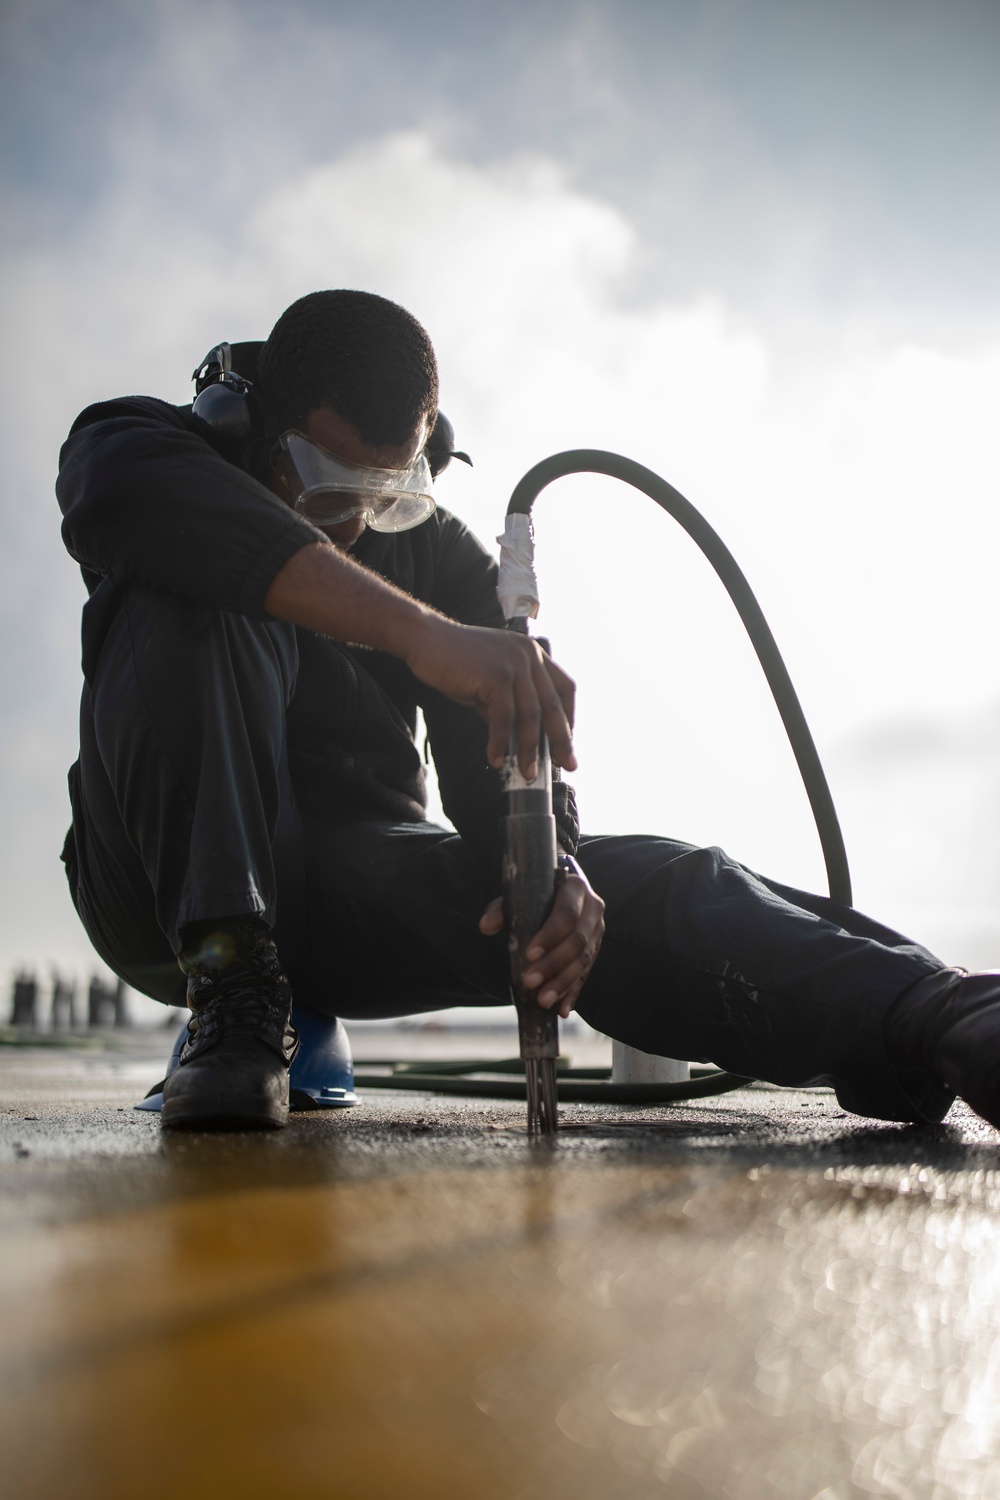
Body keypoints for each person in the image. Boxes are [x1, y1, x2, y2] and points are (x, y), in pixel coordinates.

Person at [56, 290, 1000, 1134]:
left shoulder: (444, 559)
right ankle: (232, 985)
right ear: (243, 423)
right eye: (329, 482)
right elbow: (144, 504)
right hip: (154, 890)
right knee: (193, 586)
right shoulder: (142, 449)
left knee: (614, 890)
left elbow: (495, 780)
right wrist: (418, 636)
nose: (354, 521)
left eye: (385, 498)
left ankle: (934, 1014)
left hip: (350, 885)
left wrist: (554, 868)